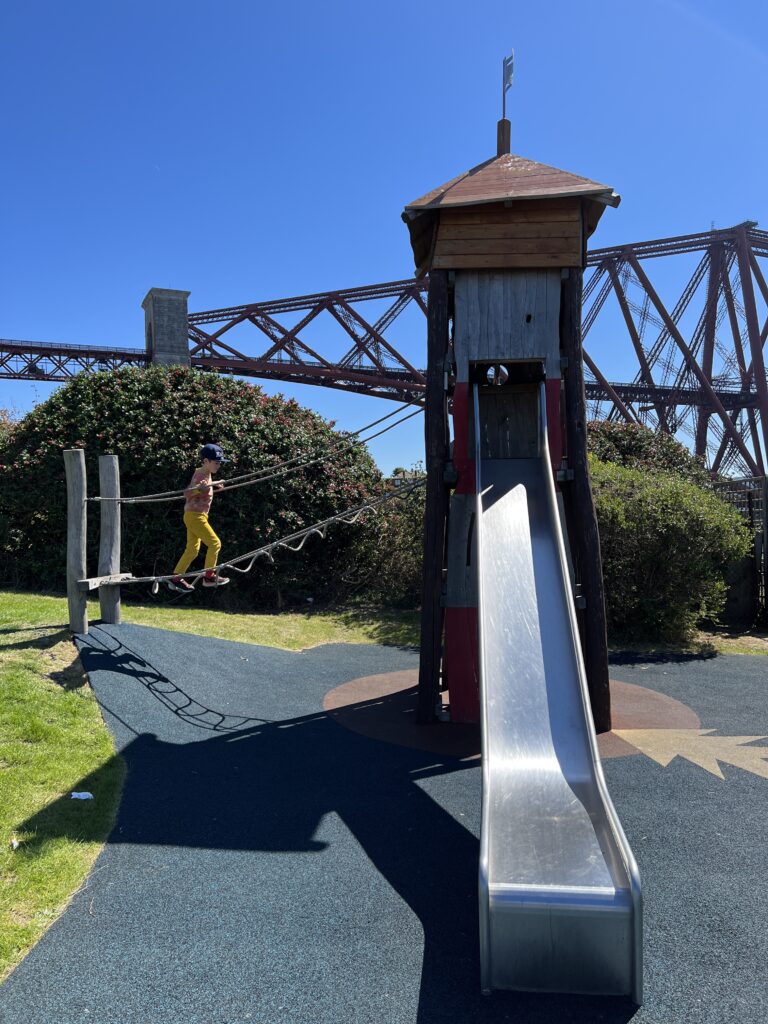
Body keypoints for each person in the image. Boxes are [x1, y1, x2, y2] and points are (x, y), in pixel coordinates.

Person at [168, 443, 231, 593]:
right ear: (205, 461)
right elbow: (187, 493)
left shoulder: (206, 474)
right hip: (195, 516)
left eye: (220, 463)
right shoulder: (200, 475)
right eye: (216, 462)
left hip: (195, 516)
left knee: (192, 550)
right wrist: (198, 489)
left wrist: (215, 484)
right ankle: (209, 576)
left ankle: (176, 578)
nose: (218, 465)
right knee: (215, 543)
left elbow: (205, 486)